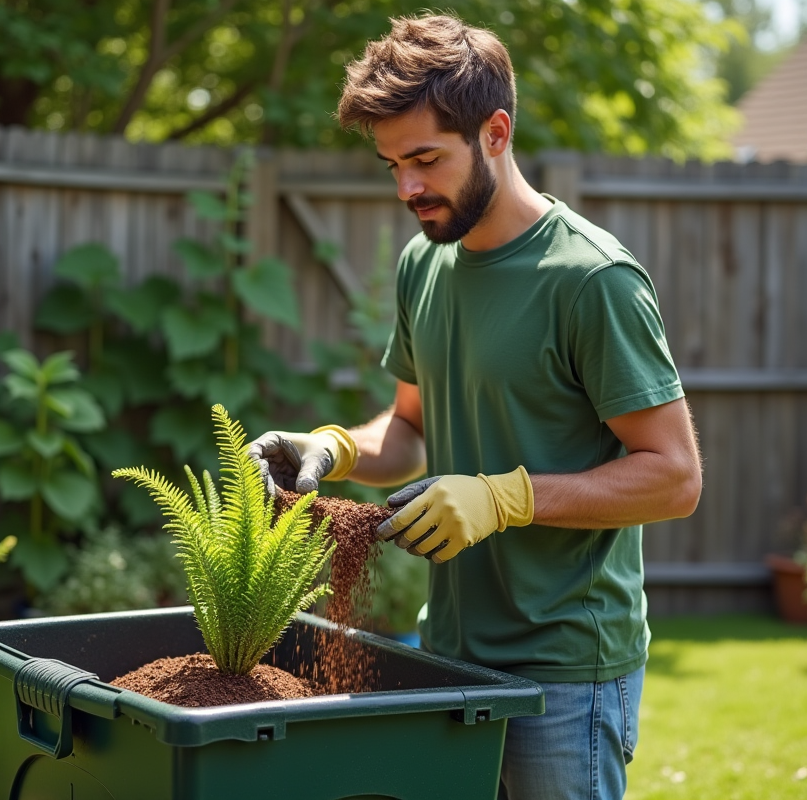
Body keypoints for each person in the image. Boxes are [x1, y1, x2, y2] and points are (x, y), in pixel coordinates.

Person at [246, 14, 702, 800]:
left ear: (496, 132)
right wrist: (331, 447)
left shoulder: (590, 280)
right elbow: (412, 431)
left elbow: (675, 478)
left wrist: (505, 498)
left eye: (425, 159)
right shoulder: (425, 263)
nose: (407, 188)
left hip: (565, 670)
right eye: (392, 164)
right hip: (451, 652)